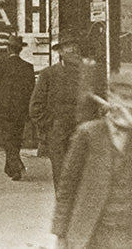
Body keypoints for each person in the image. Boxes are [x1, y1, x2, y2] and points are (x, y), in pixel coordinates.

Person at [51, 69, 132, 249]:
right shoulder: (89, 134)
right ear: (110, 98)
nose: (127, 105)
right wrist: (60, 234)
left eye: (131, 100)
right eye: (123, 98)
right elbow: (67, 188)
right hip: (92, 234)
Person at [31, 35, 100, 190]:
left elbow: (95, 103)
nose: (74, 50)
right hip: (58, 136)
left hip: (83, 133)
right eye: (69, 48)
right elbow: (35, 107)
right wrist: (51, 127)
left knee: (83, 179)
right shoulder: (49, 74)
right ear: (61, 52)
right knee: (63, 178)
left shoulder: (87, 74)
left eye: (75, 47)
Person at [0, 35, 36, 181]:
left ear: (8, 49)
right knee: (16, 138)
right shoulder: (28, 67)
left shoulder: (2, 64)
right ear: (20, 50)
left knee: (7, 138)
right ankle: (10, 168)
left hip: (4, 109)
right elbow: (31, 90)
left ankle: (16, 166)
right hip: (21, 110)